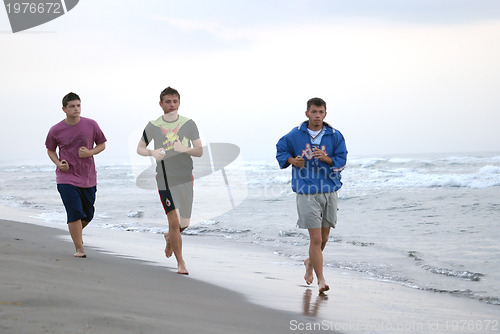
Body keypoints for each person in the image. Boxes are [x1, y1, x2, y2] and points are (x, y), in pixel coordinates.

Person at [276, 97, 347, 293]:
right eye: (314, 112)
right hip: (306, 191)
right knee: (315, 239)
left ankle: (310, 263)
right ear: (307, 113)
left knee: (323, 239)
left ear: (325, 114)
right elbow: (281, 150)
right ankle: (321, 279)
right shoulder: (295, 135)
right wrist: (291, 160)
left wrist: (327, 159)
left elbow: (342, 160)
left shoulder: (335, 135)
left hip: (329, 190)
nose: (317, 116)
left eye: (321, 112)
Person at [137, 87, 203, 275]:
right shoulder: (153, 125)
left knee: (185, 222)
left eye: (175, 101)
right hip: (165, 178)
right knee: (174, 222)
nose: (171, 105)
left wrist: (184, 149)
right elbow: (140, 148)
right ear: (161, 104)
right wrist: (152, 152)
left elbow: (199, 151)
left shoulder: (189, 124)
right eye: (168, 101)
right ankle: (181, 263)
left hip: (185, 177)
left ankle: (169, 238)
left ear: (179, 103)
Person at [45, 92, 107, 258]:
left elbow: (102, 144)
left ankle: (76, 234)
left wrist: (90, 152)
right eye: (72, 106)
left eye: (78, 105)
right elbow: (50, 150)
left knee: (88, 215)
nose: (76, 109)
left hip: (88, 177)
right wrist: (59, 163)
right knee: (74, 212)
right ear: (64, 109)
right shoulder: (56, 129)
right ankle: (79, 248)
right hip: (66, 178)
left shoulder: (91, 124)